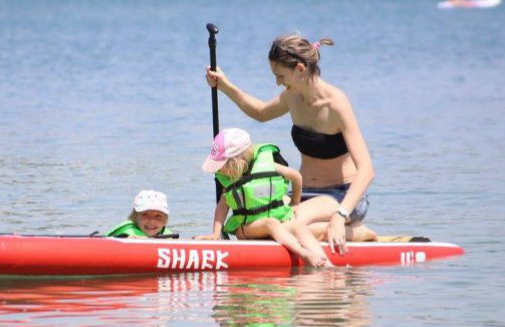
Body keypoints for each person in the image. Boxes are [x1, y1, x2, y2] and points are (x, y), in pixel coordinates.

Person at [205, 34, 378, 254]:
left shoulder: (336, 104)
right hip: (303, 193)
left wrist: (340, 215)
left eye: (281, 76)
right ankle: (327, 231)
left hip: (343, 196)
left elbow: (367, 170)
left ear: (300, 69)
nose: (278, 82)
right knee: (259, 217)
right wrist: (225, 86)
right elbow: (260, 112)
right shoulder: (292, 97)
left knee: (286, 224)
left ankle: (356, 232)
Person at [195, 128, 331, 268]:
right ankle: (305, 254)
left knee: (298, 226)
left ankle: (327, 264)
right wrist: (216, 233)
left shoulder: (268, 165)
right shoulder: (230, 178)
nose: (219, 170)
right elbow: (222, 206)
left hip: (274, 224)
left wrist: (295, 203)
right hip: (246, 228)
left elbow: (296, 176)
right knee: (270, 223)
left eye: (222, 166)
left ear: (237, 162)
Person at [106, 190, 173, 238]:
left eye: (158, 216)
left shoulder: (168, 235)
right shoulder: (126, 235)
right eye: (145, 215)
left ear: (165, 221)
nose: (151, 221)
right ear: (135, 217)